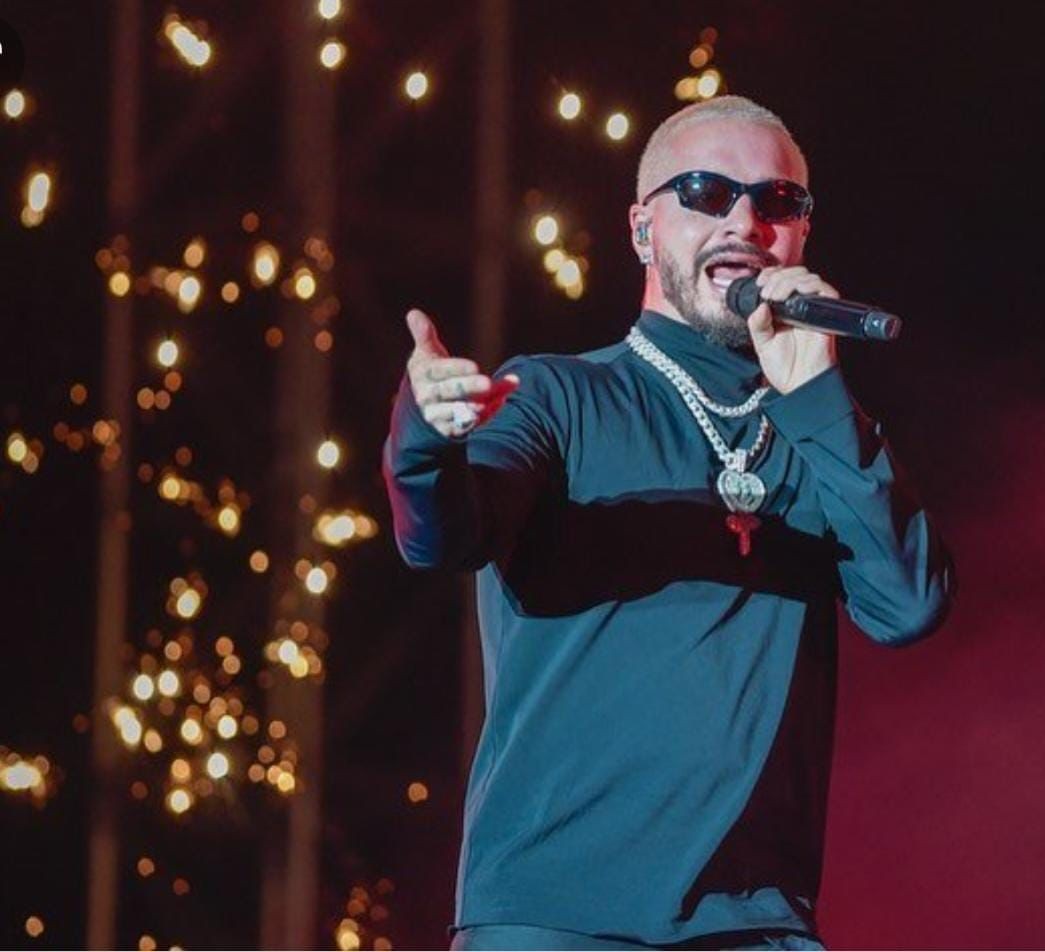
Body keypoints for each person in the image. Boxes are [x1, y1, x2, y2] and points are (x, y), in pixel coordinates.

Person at [383, 95, 955, 951]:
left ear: (802, 234)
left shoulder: (816, 430)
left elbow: (909, 605)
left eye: (777, 202)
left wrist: (816, 396)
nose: (744, 223)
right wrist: (426, 440)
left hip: (756, 923)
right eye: (705, 193)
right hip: (555, 917)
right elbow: (443, 537)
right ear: (643, 230)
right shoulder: (557, 395)